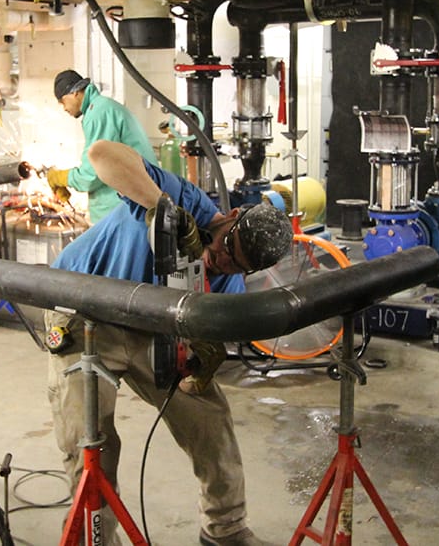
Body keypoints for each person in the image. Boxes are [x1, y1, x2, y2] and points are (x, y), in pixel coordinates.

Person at [44, 140, 292, 546]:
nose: (219, 261)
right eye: (225, 247)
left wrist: (202, 364)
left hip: (153, 328)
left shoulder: (227, 282)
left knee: (210, 420)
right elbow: (101, 154)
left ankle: (225, 530)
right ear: (229, 217)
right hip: (82, 313)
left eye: (236, 264)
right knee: (90, 437)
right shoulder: (183, 197)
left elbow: (202, 350)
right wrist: (163, 209)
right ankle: (97, 540)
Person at [45, 70, 157, 223]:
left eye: (63, 101)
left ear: (75, 92)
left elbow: (92, 175)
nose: (64, 108)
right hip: (131, 205)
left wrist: (61, 177)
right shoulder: (101, 108)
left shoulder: (98, 113)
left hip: (125, 209)